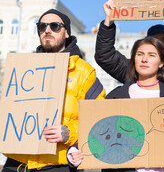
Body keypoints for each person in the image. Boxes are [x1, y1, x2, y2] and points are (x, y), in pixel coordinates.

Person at [68, 36, 164, 172]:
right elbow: (97, 132)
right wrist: (75, 152)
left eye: (152, 55)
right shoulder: (115, 97)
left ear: (161, 62)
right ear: (134, 59)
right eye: (140, 54)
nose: (144, 59)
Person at [2, 9, 106, 172]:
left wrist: (70, 132)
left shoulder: (84, 72)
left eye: (55, 26)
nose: (47, 30)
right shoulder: (24, 68)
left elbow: (100, 121)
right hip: (18, 161)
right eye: (42, 26)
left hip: (58, 163)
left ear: (66, 33)